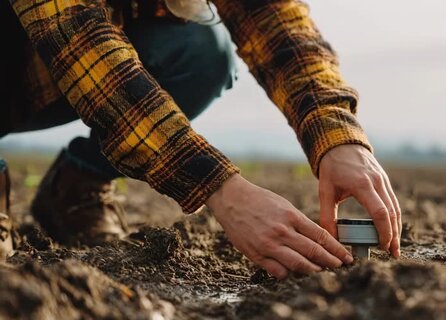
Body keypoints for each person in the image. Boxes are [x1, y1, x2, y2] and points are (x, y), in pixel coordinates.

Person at [0, 0, 401, 278]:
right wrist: (222, 189)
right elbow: (80, 45)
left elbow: (274, 22)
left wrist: (336, 135)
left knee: (199, 53)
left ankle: (75, 187)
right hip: (47, 41)